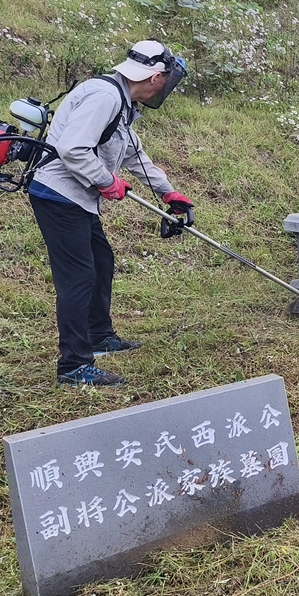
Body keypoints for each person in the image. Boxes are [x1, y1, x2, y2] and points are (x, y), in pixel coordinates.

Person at [28, 40, 194, 387]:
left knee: (101, 260)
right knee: (78, 277)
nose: (164, 89)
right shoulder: (105, 97)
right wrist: (107, 181)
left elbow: (134, 155)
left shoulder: (122, 101)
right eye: (166, 81)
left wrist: (168, 192)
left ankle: (98, 336)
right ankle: (74, 366)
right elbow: (72, 148)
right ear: (155, 77)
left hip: (78, 198)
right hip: (59, 196)